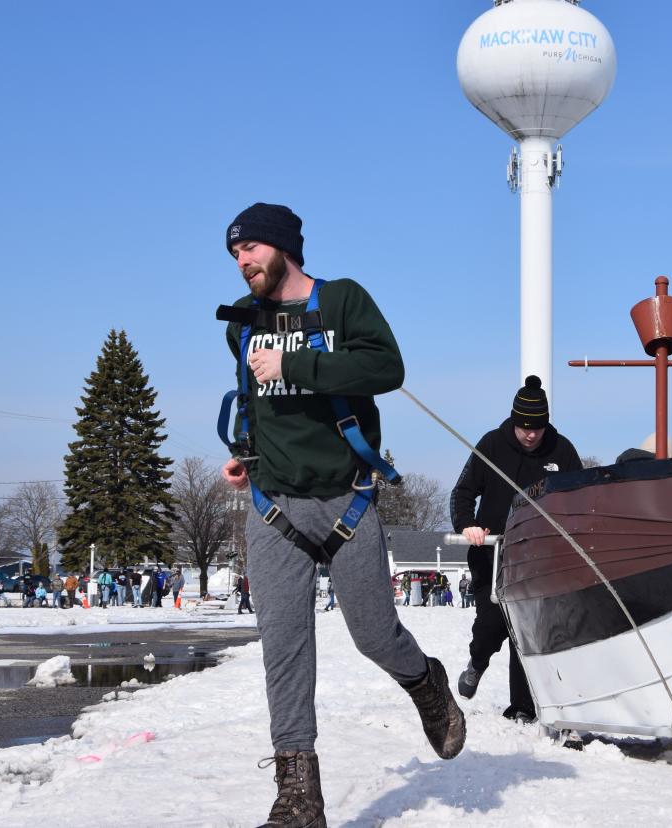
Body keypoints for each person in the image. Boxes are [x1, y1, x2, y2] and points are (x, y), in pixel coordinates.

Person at [217, 202, 463, 826]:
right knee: (285, 647)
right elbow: (257, 404)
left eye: (250, 249)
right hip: (273, 507)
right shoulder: (242, 324)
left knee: (373, 634)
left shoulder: (343, 300)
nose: (242, 261)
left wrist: (296, 362)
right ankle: (298, 792)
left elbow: (386, 367)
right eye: (234, 254)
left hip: (347, 499)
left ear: (282, 248)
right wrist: (245, 455)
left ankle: (426, 684)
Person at [450, 375, 583, 723]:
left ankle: (522, 707)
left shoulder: (562, 451)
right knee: (492, 623)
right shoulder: (491, 445)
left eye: (537, 428)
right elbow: (461, 493)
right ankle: (477, 661)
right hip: (491, 554)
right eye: (524, 427)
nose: (530, 434)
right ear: (513, 421)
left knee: (523, 630)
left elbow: (578, 502)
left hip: (537, 558)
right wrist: (467, 525)